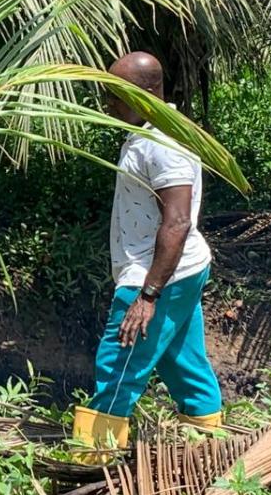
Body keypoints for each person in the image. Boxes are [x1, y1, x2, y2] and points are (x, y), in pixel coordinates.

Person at [72, 51, 223, 461]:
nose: (109, 105)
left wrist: (148, 296)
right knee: (183, 362)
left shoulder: (162, 145)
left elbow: (176, 222)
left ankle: (91, 460)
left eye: (116, 96)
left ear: (144, 94)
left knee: (119, 364)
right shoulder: (156, 131)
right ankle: (208, 448)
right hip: (183, 268)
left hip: (157, 274)